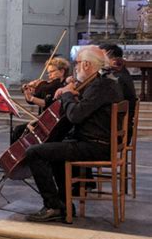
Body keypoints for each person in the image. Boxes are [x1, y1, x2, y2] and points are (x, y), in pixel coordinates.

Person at [24, 46, 123, 222]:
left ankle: (53, 205)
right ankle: (64, 205)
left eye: (77, 64)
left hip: (95, 145)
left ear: (86, 65)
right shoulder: (102, 82)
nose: (75, 68)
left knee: (34, 152)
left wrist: (68, 95)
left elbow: (76, 116)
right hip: (95, 141)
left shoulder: (100, 86)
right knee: (53, 150)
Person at [11, 57, 70, 144]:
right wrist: (27, 91)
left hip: (53, 124)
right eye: (48, 72)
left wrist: (38, 88)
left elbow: (45, 103)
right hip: (43, 120)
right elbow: (31, 101)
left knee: (18, 130)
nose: (49, 75)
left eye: (52, 72)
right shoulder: (47, 86)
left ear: (62, 71)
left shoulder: (62, 86)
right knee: (18, 130)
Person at [99, 43, 136, 143]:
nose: (98, 60)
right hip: (117, 128)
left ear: (113, 59)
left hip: (115, 132)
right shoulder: (120, 73)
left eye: (101, 57)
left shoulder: (116, 77)